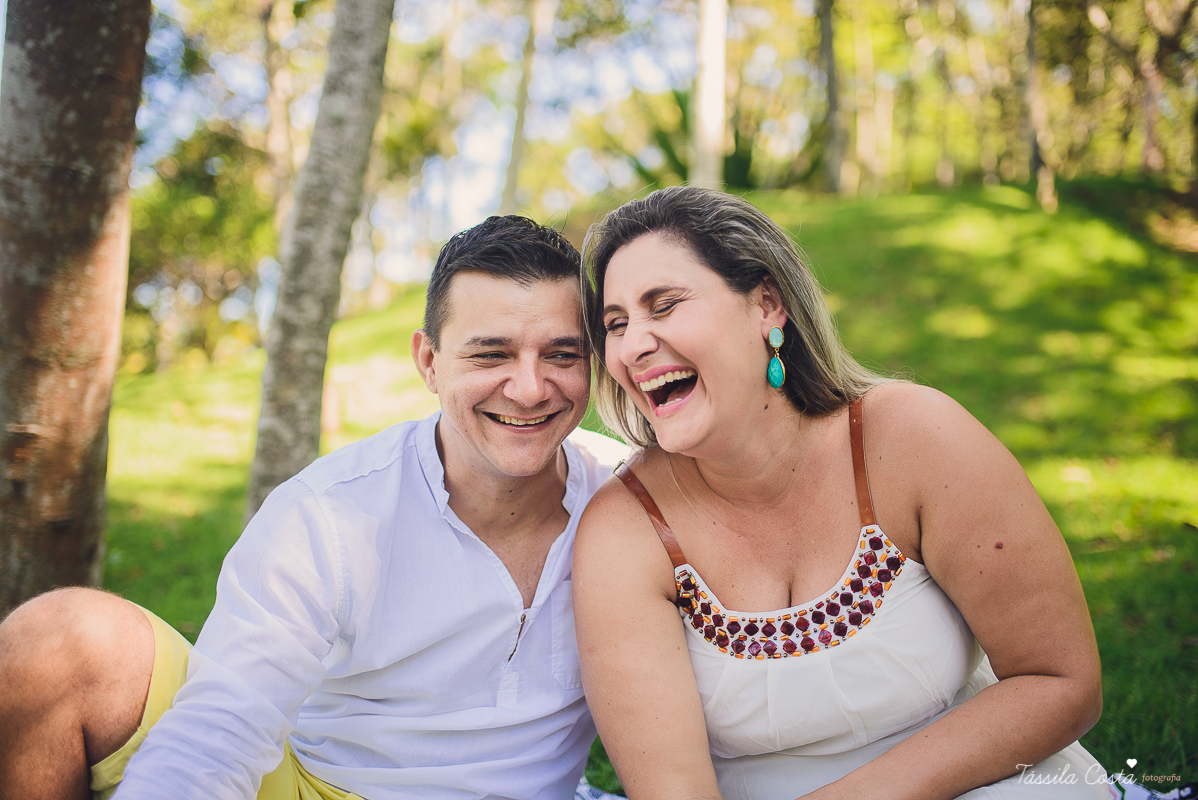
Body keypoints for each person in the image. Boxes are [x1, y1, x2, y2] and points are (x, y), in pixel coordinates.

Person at [0, 215, 629, 800]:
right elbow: (223, 725)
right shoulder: (328, 513)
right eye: (490, 354)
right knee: (59, 641)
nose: (528, 387)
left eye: (561, 355)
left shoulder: (628, 497)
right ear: (429, 362)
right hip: (322, 789)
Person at [572, 186, 1109, 800]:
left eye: (663, 306)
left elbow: (1060, 680)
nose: (632, 345)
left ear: (766, 304)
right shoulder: (625, 530)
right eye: (615, 325)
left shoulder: (913, 437)